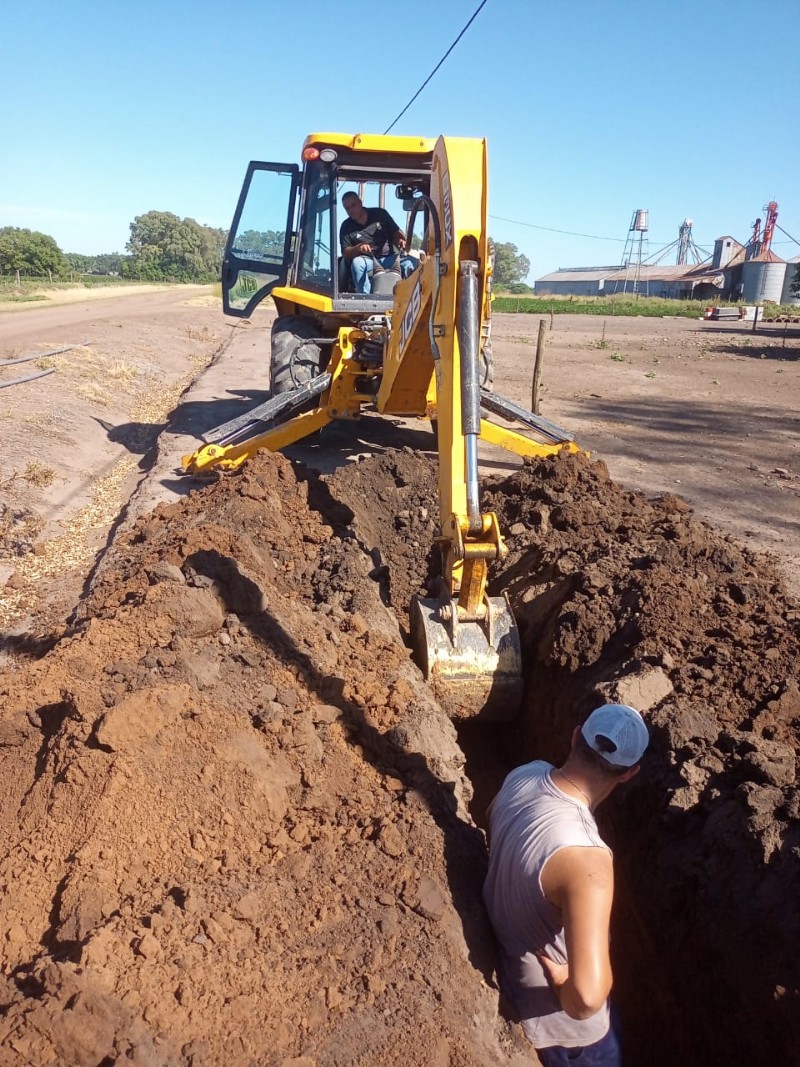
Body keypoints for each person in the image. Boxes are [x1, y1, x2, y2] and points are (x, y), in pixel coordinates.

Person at [483, 703, 650, 1066]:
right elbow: (587, 998)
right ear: (629, 774)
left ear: (576, 736)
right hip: (566, 1033)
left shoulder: (525, 774)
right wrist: (562, 982)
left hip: (510, 968)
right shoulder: (588, 862)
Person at [339, 192, 417, 294]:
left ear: (360, 202)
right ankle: (365, 298)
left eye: (353, 205)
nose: (351, 210)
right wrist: (359, 248)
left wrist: (401, 240)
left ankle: (409, 296)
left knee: (411, 262)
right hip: (367, 261)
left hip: (389, 258)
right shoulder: (346, 226)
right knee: (357, 264)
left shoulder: (380, 214)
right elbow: (346, 252)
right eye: (347, 208)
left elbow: (396, 232)